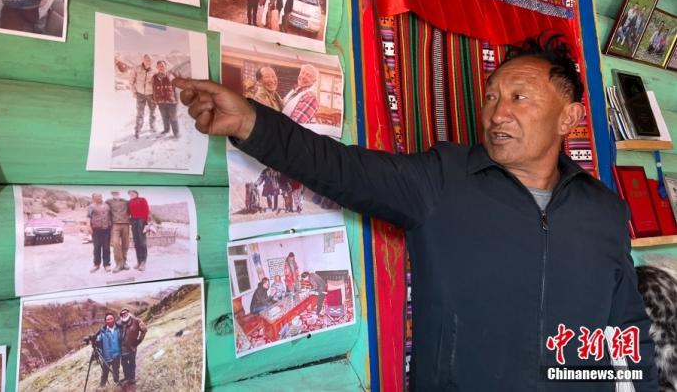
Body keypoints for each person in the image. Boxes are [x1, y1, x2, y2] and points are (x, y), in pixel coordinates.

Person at [173, 31, 658, 390]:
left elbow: (627, 329)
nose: (497, 112)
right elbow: (342, 169)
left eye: (519, 97)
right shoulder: (443, 178)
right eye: (491, 96)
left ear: (569, 117)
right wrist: (253, 123)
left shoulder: (605, 212)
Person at [117, 308, 147, 392]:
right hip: (121, 349)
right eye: (122, 314)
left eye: (125, 313)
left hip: (131, 348)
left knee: (132, 363)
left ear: (128, 313)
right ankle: (127, 377)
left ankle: (132, 379)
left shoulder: (136, 321)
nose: (124, 314)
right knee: (124, 364)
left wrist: (138, 341)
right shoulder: (119, 323)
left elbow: (144, 330)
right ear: (121, 315)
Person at [130, 54, 157, 139]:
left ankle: (152, 126)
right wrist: (134, 91)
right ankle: (138, 129)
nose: (148, 62)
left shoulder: (154, 71)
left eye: (150, 60)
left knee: (153, 112)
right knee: (140, 113)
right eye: (147, 60)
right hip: (140, 94)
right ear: (143, 60)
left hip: (151, 95)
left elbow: (156, 84)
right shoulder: (137, 69)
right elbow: (131, 81)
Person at [152, 60, 179, 138]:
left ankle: (176, 133)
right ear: (157, 67)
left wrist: (176, 100)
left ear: (165, 67)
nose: (161, 68)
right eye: (159, 66)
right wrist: (155, 99)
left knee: (173, 117)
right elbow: (153, 89)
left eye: (162, 66)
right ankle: (166, 130)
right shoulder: (154, 77)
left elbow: (175, 88)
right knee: (164, 117)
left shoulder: (170, 76)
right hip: (161, 101)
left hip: (171, 101)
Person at [87, 192, 112, 273]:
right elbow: (88, 217)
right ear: (93, 198)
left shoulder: (107, 205)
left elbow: (111, 215)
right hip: (96, 229)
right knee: (97, 248)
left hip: (106, 229)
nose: (99, 198)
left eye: (100, 196)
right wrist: (88, 226)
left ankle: (106, 265)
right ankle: (96, 265)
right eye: (96, 197)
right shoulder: (91, 206)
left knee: (106, 247)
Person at [95, 313, 122, 387]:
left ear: (114, 319)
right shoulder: (102, 331)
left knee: (116, 371)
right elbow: (98, 340)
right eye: (108, 319)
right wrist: (95, 340)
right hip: (106, 356)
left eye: (111, 318)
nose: (110, 320)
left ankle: (117, 383)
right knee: (105, 372)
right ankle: (102, 386)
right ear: (105, 321)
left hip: (116, 355)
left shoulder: (119, 328)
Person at [106, 191, 130, 273]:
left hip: (125, 223)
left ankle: (124, 262)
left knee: (126, 244)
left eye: (117, 193)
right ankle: (119, 264)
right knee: (115, 243)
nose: (115, 195)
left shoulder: (125, 201)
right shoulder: (108, 201)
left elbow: (134, 208)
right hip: (115, 224)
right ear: (112, 195)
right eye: (113, 194)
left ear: (119, 194)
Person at [127, 190, 149, 271]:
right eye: (130, 193)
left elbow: (146, 210)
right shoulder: (129, 202)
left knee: (142, 242)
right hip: (133, 222)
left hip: (141, 221)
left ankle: (143, 262)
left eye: (133, 193)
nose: (131, 194)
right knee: (136, 242)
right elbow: (128, 212)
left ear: (136, 193)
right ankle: (139, 261)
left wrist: (145, 223)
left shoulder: (142, 199)